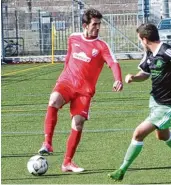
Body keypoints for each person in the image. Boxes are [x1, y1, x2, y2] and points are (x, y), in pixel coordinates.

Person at [108, 23, 171, 181]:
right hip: (155, 101)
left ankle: (121, 170)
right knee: (162, 135)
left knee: (138, 133)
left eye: (139, 39)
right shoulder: (149, 53)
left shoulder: (167, 51)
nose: (140, 42)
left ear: (144, 39)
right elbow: (145, 73)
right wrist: (134, 78)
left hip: (169, 104)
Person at [38, 8, 123, 173]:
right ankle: (47, 143)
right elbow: (69, 57)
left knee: (78, 123)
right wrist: (64, 75)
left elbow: (113, 63)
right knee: (53, 100)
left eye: (99, 24)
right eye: (94, 24)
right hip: (67, 82)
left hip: (85, 91)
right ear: (85, 25)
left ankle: (67, 162)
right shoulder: (73, 38)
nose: (98, 28)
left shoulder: (102, 46)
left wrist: (117, 79)